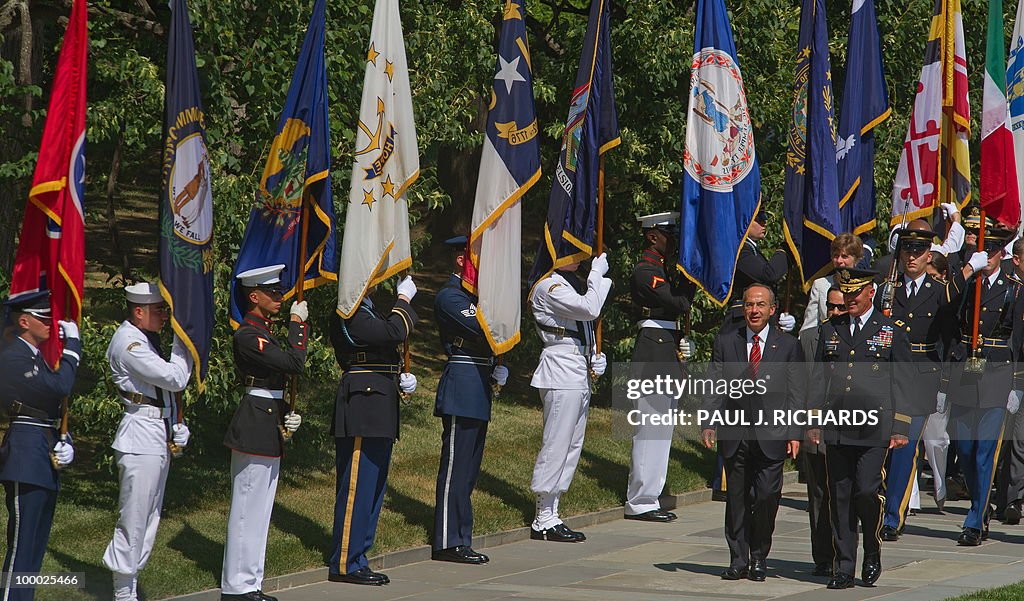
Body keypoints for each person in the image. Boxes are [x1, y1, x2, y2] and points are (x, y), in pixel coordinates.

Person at [808, 267, 911, 589]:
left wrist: (900, 425)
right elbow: (818, 377)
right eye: (845, 292)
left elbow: (904, 382)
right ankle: (844, 566)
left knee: (866, 491)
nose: (849, 298)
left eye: (855, 293)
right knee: (839, 496)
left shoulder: (891, 330)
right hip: (838, 425)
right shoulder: (830, 329)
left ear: (871, 292)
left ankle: (872, 549)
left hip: (874, 428)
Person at [701, 284, 804, 582]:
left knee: (767, 496)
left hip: (773, 433)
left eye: (760, 305)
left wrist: (794, 432)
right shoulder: (726, 341)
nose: (754, 310)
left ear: (772, 310)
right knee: (736, 499)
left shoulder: (788, 345)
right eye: (749, 305)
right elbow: (714, 382)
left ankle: (759, 555)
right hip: (735, 432)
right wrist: (709, 421)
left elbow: (797, 392)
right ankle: (738, 559)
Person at [221, 265, 308, 601]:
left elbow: (275, 381)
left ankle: (250, 583)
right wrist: (297, 326)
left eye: (279, 291)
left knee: (260, 511)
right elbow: (293, 363)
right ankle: (235, 587)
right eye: (272, 292)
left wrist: (286, 412)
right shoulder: (248, 334)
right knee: (246, 509)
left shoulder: (264, 332)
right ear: (253, 296)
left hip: (267, 421)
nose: (279, 297)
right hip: (254, 423)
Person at [103, 283, 193, 601]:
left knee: (150, 516)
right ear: (139, 312)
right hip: (139, 437)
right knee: (135, 517)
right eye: (159, 310)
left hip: (154, 433)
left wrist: (177, 425)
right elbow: (174, 378)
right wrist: (187, 344)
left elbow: (163, 393)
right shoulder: (129, 344)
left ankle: (131, 583)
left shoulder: (145, 339)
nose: (165, 317)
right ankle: (123, 591)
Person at [327, 275, 418, 585]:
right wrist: (404, 299)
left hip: (379, 401)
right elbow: (394, 331)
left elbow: (387, 342)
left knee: (374, 486)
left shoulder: (367, 310)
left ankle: (359, 556)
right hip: (363, 403)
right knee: (358, 486)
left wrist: (400, 376)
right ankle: (345, 562)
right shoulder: (348, 312)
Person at [940, 228, 1022, 546]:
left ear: (1002, 253)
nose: (986, 258)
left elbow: (1020, 341)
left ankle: (974, 519)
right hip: (965, 375)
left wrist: (1018, 384)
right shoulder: (968, 283)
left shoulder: (1015, 290)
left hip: (997, 378)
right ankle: (982, 502)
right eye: (982, 252)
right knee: (964, 449)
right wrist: (967, 268)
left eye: (992, 252)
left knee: (985, 451)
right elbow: (945, 303)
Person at [0, 291, 81, 601]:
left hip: (43, 455)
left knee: (34, 551)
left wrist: (66, 441)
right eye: (44, 318)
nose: (52, 323)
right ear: (24, 321)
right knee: (21, 550)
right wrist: (72, 348)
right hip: (24, 455)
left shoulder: (36, 358)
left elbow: (50, 408)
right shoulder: (13, 357)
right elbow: (59, 387)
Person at [877, 225, 955, 539]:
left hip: (922, 377)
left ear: (928, 255)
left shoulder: (939, 292)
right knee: (881, 447)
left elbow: (951, 338)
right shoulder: (887, 290)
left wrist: (944, 383)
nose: (912, 257)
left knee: (904, 447)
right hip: (887, 378)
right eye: (907, 250)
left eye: (919, 252)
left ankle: (892, 516)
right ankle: (877, 505)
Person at [431, 236, 505, 563]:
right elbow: (483, 328)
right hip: (462, 383)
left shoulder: (476, 297)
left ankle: (461, 536)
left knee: (470, 469)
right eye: (476, 256)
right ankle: (447, 541)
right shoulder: (450, 296)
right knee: (455, 467)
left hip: (479, 383)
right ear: (462, 260)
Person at [528, 254, 611, 542]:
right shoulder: (549, 287)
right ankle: (542, 517)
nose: (580, 257)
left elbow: (584, 325)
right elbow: (590, 308)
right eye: (571, 252)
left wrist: (594, 355)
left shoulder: (567, 283)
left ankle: (553, 511)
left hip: (577, 367)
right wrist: (596, 277)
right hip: (560, 368)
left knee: (572, 445)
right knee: (557, 443)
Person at [625, 212, 695, 522]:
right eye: (669, 233)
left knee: (661, 431)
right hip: (653, 348)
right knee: (650, 430)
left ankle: (651, 496)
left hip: (663, 345)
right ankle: (640, 500)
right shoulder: (646, 270)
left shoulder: (661, 268)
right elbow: (678, 303)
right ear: (653, 236)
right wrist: (691, 274)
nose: (675, 239)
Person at [799, 285, 845, 576]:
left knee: (845, 494)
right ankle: (822, 556)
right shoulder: (807, 338)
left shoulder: (862, 337)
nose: (835, 312)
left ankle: (844, 553)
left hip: (849, 428)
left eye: (841, 307)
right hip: (815, 428)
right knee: (818, 494)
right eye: (831, 307)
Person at [723, 207, 795, 335]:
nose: (764, 223)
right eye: (759, 219)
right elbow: (768, 275)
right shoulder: (740, 249)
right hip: (743, 323)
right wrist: (785, 248)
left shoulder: (752, 249)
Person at [997, 236, 1024, 525]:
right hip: (1008, 374)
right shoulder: (1007, 288)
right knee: (1009, 442)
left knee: (1019, 441)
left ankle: (1013, 497)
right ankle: (1007, 497)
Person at [798, 233, 863, 338]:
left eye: (845, 256)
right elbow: (809, 327)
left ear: (856, 259)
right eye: (836, 256)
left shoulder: (869, 287)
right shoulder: (820, 285)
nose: (839, 261)